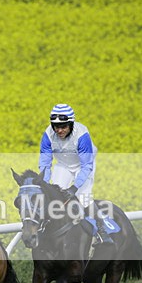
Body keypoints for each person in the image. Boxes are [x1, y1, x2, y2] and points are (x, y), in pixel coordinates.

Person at [38, 103, 112, 244]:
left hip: (83, 166)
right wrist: (45, 183)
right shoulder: (48, 135)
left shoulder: (82, 134)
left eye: (63, 126)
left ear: (71, 124)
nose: (59, 130)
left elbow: (86, 166)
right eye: (56, 126)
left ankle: (101, 228)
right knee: (54, 196)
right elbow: (45, 164)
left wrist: (74, 187)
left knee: (83, 198)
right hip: (63, 165)